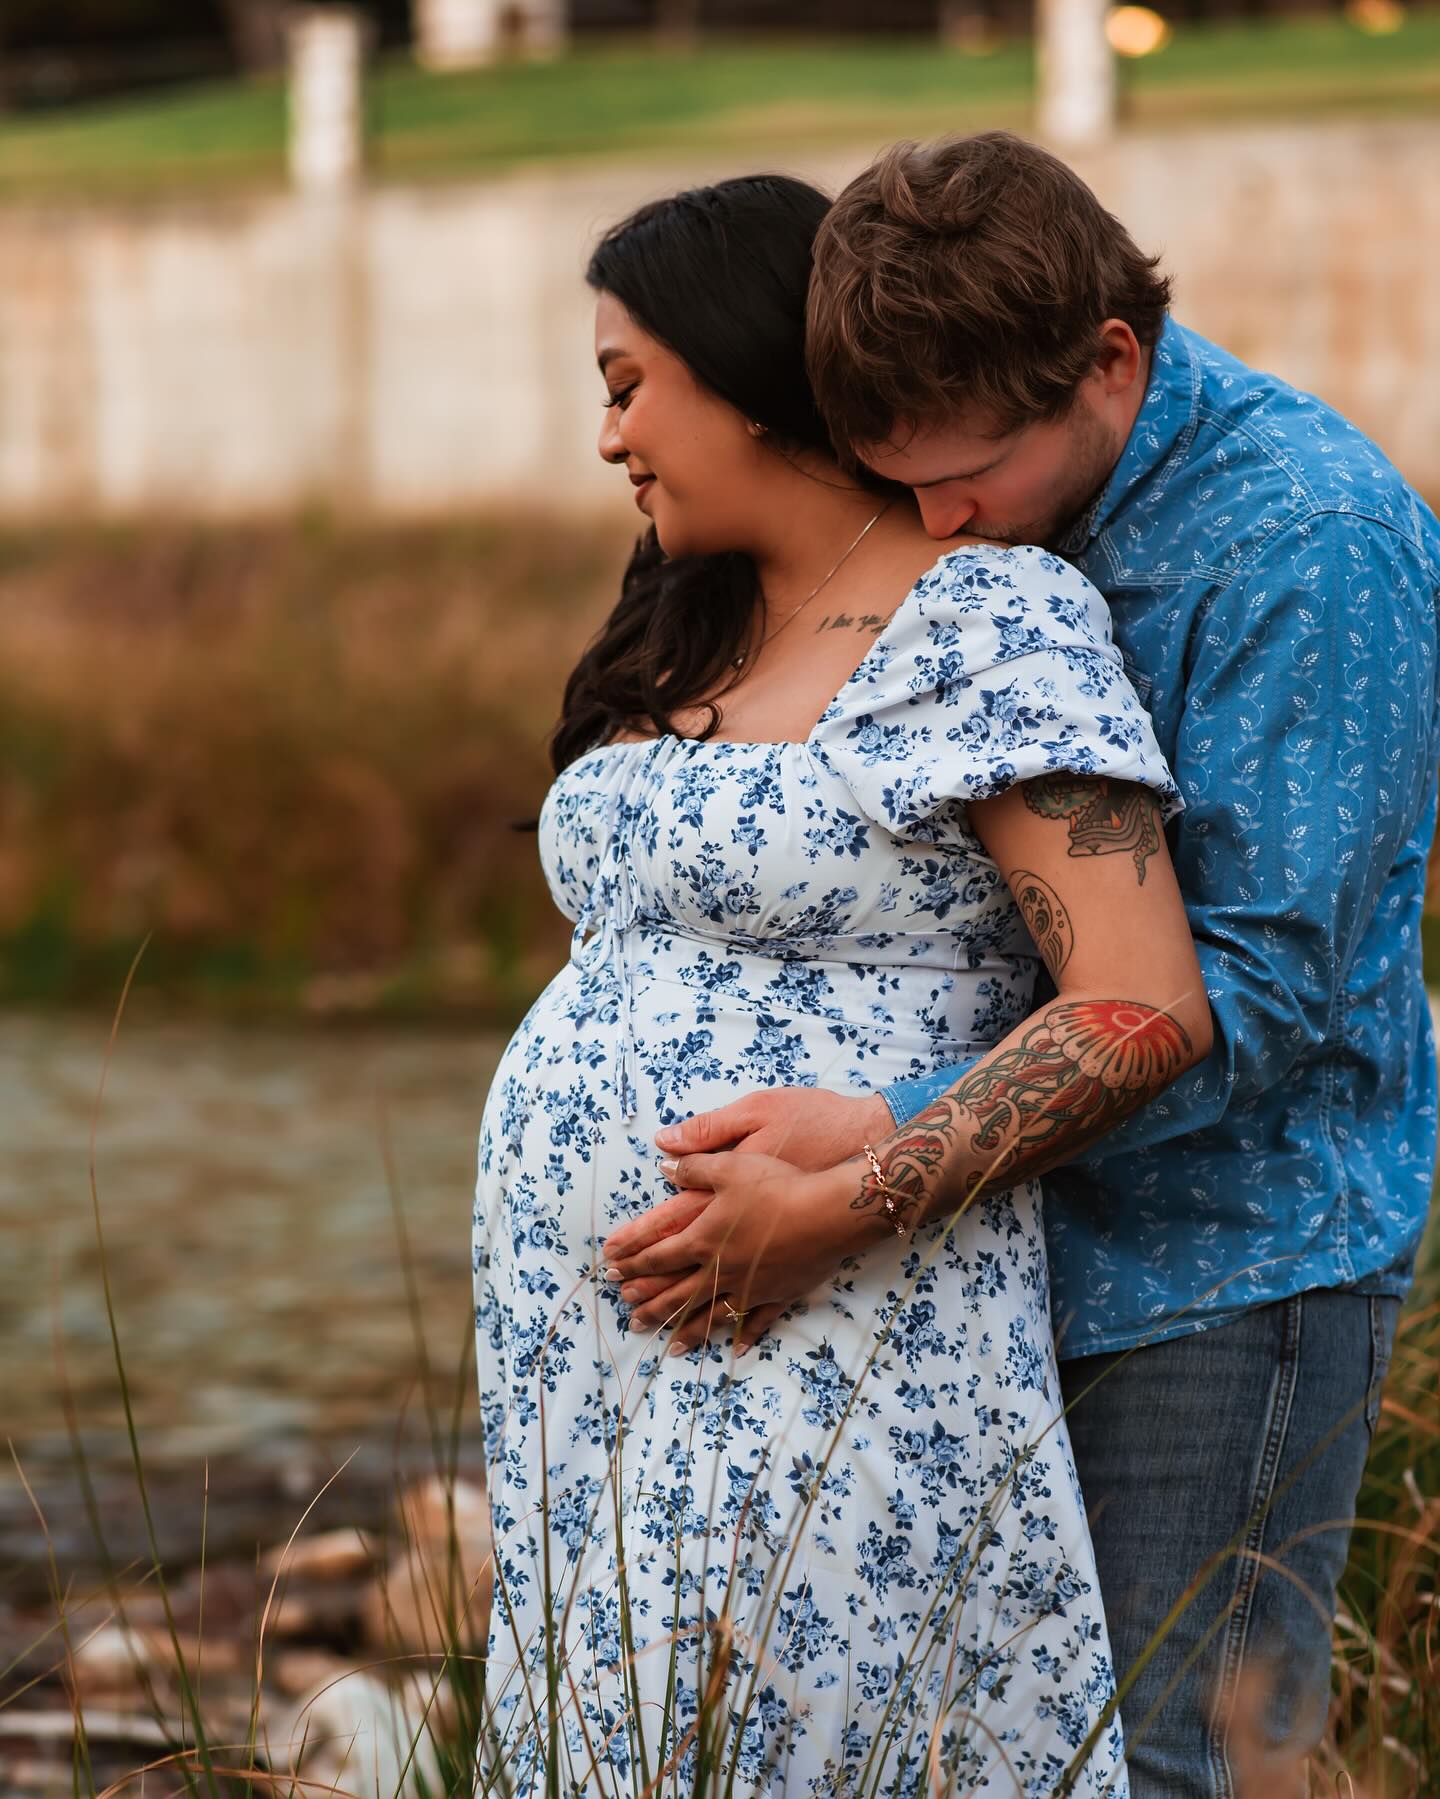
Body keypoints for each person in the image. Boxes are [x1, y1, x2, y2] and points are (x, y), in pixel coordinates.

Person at [601, 133, 1440, 1797]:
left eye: (968, 474)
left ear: (1109, 362)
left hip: (1233, 1274)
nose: (938, 523)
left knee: (1167, 1762)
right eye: (895, 476)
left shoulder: (1311, 545)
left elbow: (1260, 1004)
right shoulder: (996, 501)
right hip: (1001, 1255)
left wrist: (880, 1153)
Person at [473, 173, 1213, 1796]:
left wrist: (846, 1201)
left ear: (746, 371)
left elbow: (1143, 1000)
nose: (611, 439)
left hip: (834, 1305)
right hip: (578, 1352)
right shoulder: (682, 622)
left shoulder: (987, 622)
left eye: (626, 385)